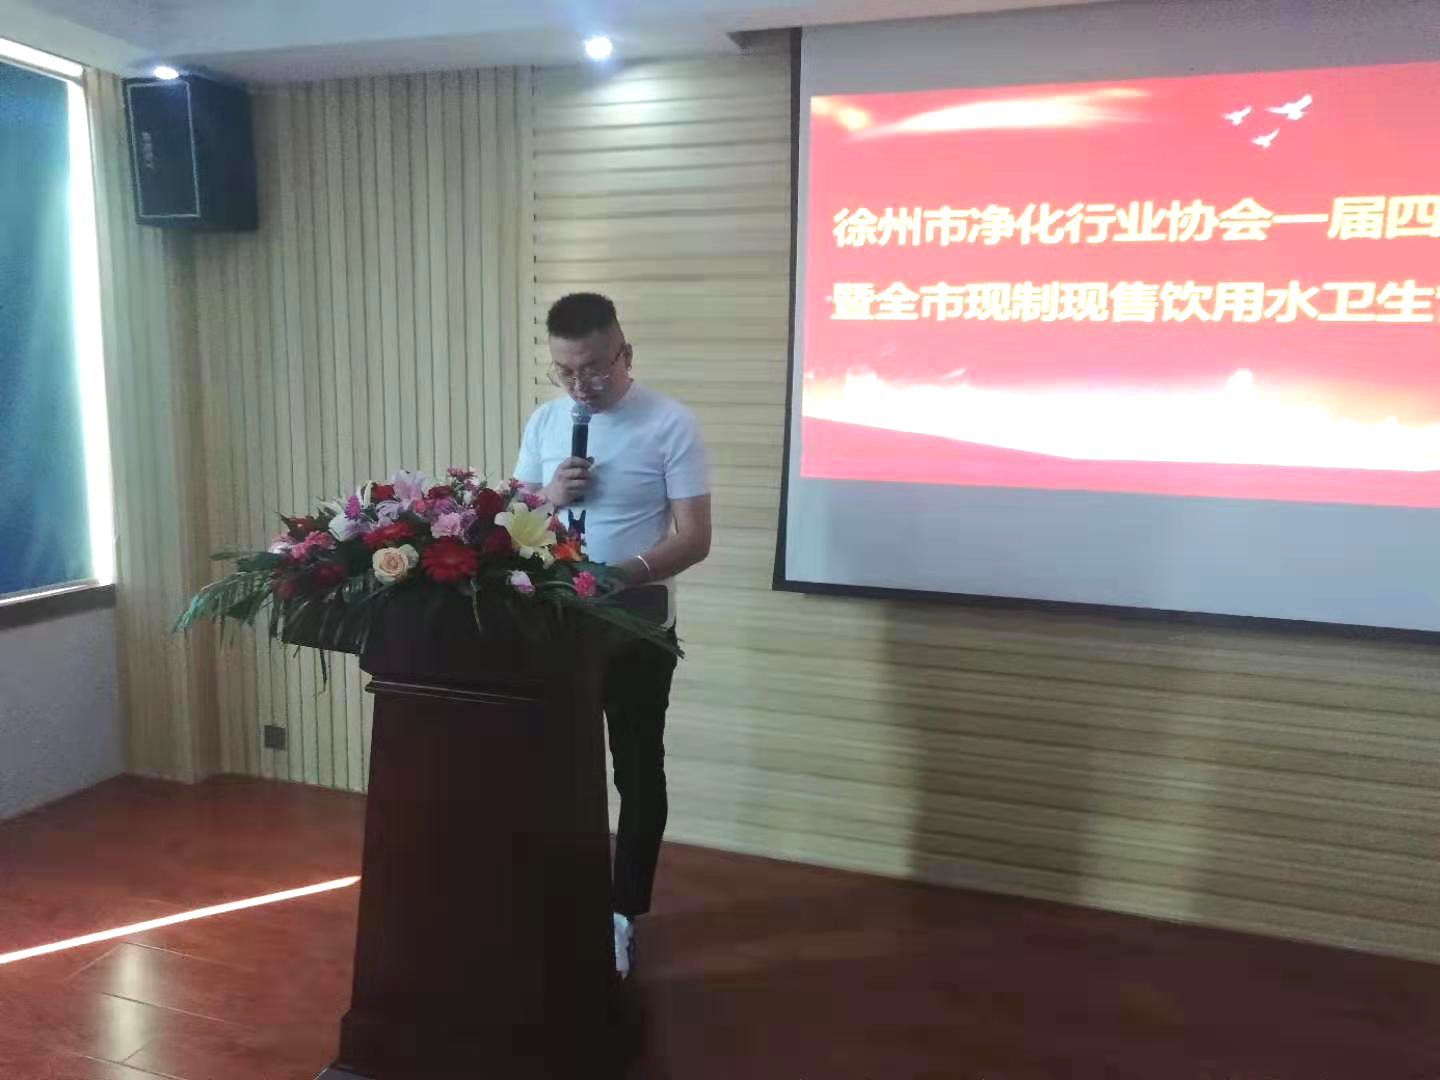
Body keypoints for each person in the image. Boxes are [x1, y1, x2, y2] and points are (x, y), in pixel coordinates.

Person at [514, 292, 712, 979]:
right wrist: (546, 498)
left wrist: (619, 575)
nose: (580, 385)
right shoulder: (546, 423)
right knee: (551, 769)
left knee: (636, 768)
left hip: (636, 626)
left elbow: (694, 538)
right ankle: (559, 899)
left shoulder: (670, 423)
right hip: (555, 626)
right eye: (565, 371)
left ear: (625, 354)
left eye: (594, 368)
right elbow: (513, 519)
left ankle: (623, 913)